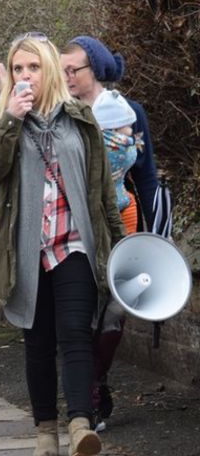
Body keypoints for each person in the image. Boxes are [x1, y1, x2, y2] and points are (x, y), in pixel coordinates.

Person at [0, 33, 124, 456]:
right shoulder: (1, 116)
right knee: (38, 341)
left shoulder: (79, 117)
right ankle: (45, 432)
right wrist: (11, 119)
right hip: (25, 251)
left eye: (34, 67)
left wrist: (119, 246)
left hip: (73, 243)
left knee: (76, 332)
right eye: (18, 68)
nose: (26, 75)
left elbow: (102, 190)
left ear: (50, 70)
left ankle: (80, 425)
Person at [60, 36, 158, 231]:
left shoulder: (130, 113)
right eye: (62, 71)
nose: (66, 77)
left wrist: (159, 231)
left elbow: (146, 176)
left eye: (72, 70)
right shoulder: (62, 115)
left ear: (95, 69)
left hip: (125, 217)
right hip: (76, 224)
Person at [87, 88, 140, 432]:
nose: (129, 138)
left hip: (124, 232)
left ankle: (96, 381)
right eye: (122, 131)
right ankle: (91, 388)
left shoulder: (128, 197)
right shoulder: (100, 154)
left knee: (114, 316)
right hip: (95, 237)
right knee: (98, 318)